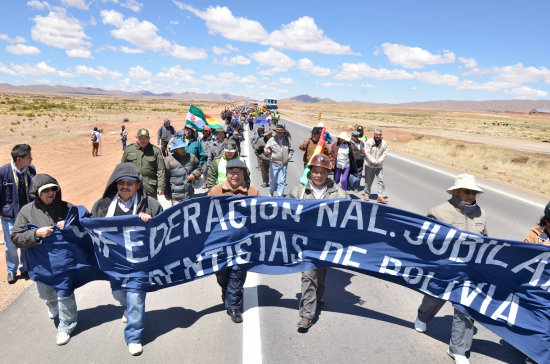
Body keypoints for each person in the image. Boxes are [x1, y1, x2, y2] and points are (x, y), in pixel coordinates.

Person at [91, 162, 163, 356]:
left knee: (136, 297)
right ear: (115, 185)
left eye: (129, 183)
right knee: (118, 294)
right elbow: (90, 228)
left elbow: (164, 230)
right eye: (120, 183)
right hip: (115, 262)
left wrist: (151, 221)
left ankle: (134, 337)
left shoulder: (152, 205)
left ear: (138, 185)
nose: (124, 186)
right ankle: (127, 309)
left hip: (139, 264)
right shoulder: (102, 206)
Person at [414, 174, 486, 364]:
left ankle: (458, 350)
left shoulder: (481, 214)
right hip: (444, 268)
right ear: (456, 191)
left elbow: (486, 241)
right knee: (434, 297)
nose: (471, 195)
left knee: (466, 308)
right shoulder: (438, 212)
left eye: (474, 192)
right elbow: (426, 240)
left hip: (468, 271)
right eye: (467, 191)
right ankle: (423, 317)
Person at [11, 174, 76, 345]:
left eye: (53, 189)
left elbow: (84, 222)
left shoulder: (66, 207)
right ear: (37, 193)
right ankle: (51, 303)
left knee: (65, 293)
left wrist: (71, 225)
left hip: (64, 262)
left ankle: (66, 326)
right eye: (45, 190)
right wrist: (35, 233)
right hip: (41, 264)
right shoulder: (27, 211)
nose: (50, 193)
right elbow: (16, 237)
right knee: (46, 293)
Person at [289, 154, 349, 329]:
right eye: (315, 172)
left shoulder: (338, 193)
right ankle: (307, 315)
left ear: (328, 173)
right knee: (309, 275)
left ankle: (318, 297)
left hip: (326, 244)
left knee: (321, 276)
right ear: (310, 172)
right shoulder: (298, 191)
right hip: (306, 244)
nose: (318, 175)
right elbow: (286, 215)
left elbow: (349, 215)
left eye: (322, 172)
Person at [208, 159, 260, 323]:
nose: (235, 175)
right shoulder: (215, 192)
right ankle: (226, 290)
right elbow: (204, 217)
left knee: (237, 274)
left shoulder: (253, 192)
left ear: (244, 174)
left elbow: (263, 216)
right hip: (220, 245)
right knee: (222, 276)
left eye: (239, 172)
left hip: (242, 245)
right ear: (227, 173)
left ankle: (234, 306)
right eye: (232, 172)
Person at [0, 144, 35, 284]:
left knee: (26, 242)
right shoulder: (3, 172)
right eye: (28, 157)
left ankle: (25, 268)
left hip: (26, 215)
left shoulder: (31, 170)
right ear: (19, 158)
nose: (31, 159)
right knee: (11, 244)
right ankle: (11, 271)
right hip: (9, 216)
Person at [121, 129, 166, 199]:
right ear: (137, 138)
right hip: (132, 185)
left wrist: (161, 187)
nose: (143, 140)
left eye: (145, 138)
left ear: (149, 139)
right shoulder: (129, 150)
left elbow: (161, 170)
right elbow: (123, 169)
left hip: (150, 186)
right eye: (141, 138)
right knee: (133, 207)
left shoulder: (155, 151)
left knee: (151, 208)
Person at [164, 139, 201, 205]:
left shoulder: (191, 157)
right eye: (181, 148)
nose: (183, 150)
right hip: (175, 197)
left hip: (189, 194)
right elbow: (165, 178)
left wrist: (194, 174)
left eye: (183, 147)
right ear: (175, 150)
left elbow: (199, 168)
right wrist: (166, 192)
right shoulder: (167, 160)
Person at [265, 123, 294, 197]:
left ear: (283, 132)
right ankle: (271, 192)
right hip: (274, 163)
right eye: (278, 132)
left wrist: (288, 158)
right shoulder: (271, 140)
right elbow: (266, 148)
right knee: (273, 181)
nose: (280, 134)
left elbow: (291, 150)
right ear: (276, 132)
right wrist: (267, 151)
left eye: (281, 132)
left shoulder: (287, 140)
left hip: (284, 164)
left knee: (282, 181)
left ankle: (279, 195)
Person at [363, 128, 388, 203]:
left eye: (380, 135)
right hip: (369, 164)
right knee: (368, 180)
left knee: (381, 180)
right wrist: (374, 161)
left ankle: (380, 196)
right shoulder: (369, 142)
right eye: (377, 134)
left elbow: (385, 153)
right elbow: (367, 153)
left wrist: (379, 161)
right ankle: (367, 194)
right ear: (374, 134)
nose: (378, 136)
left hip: (379, 165)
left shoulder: (384, 143)